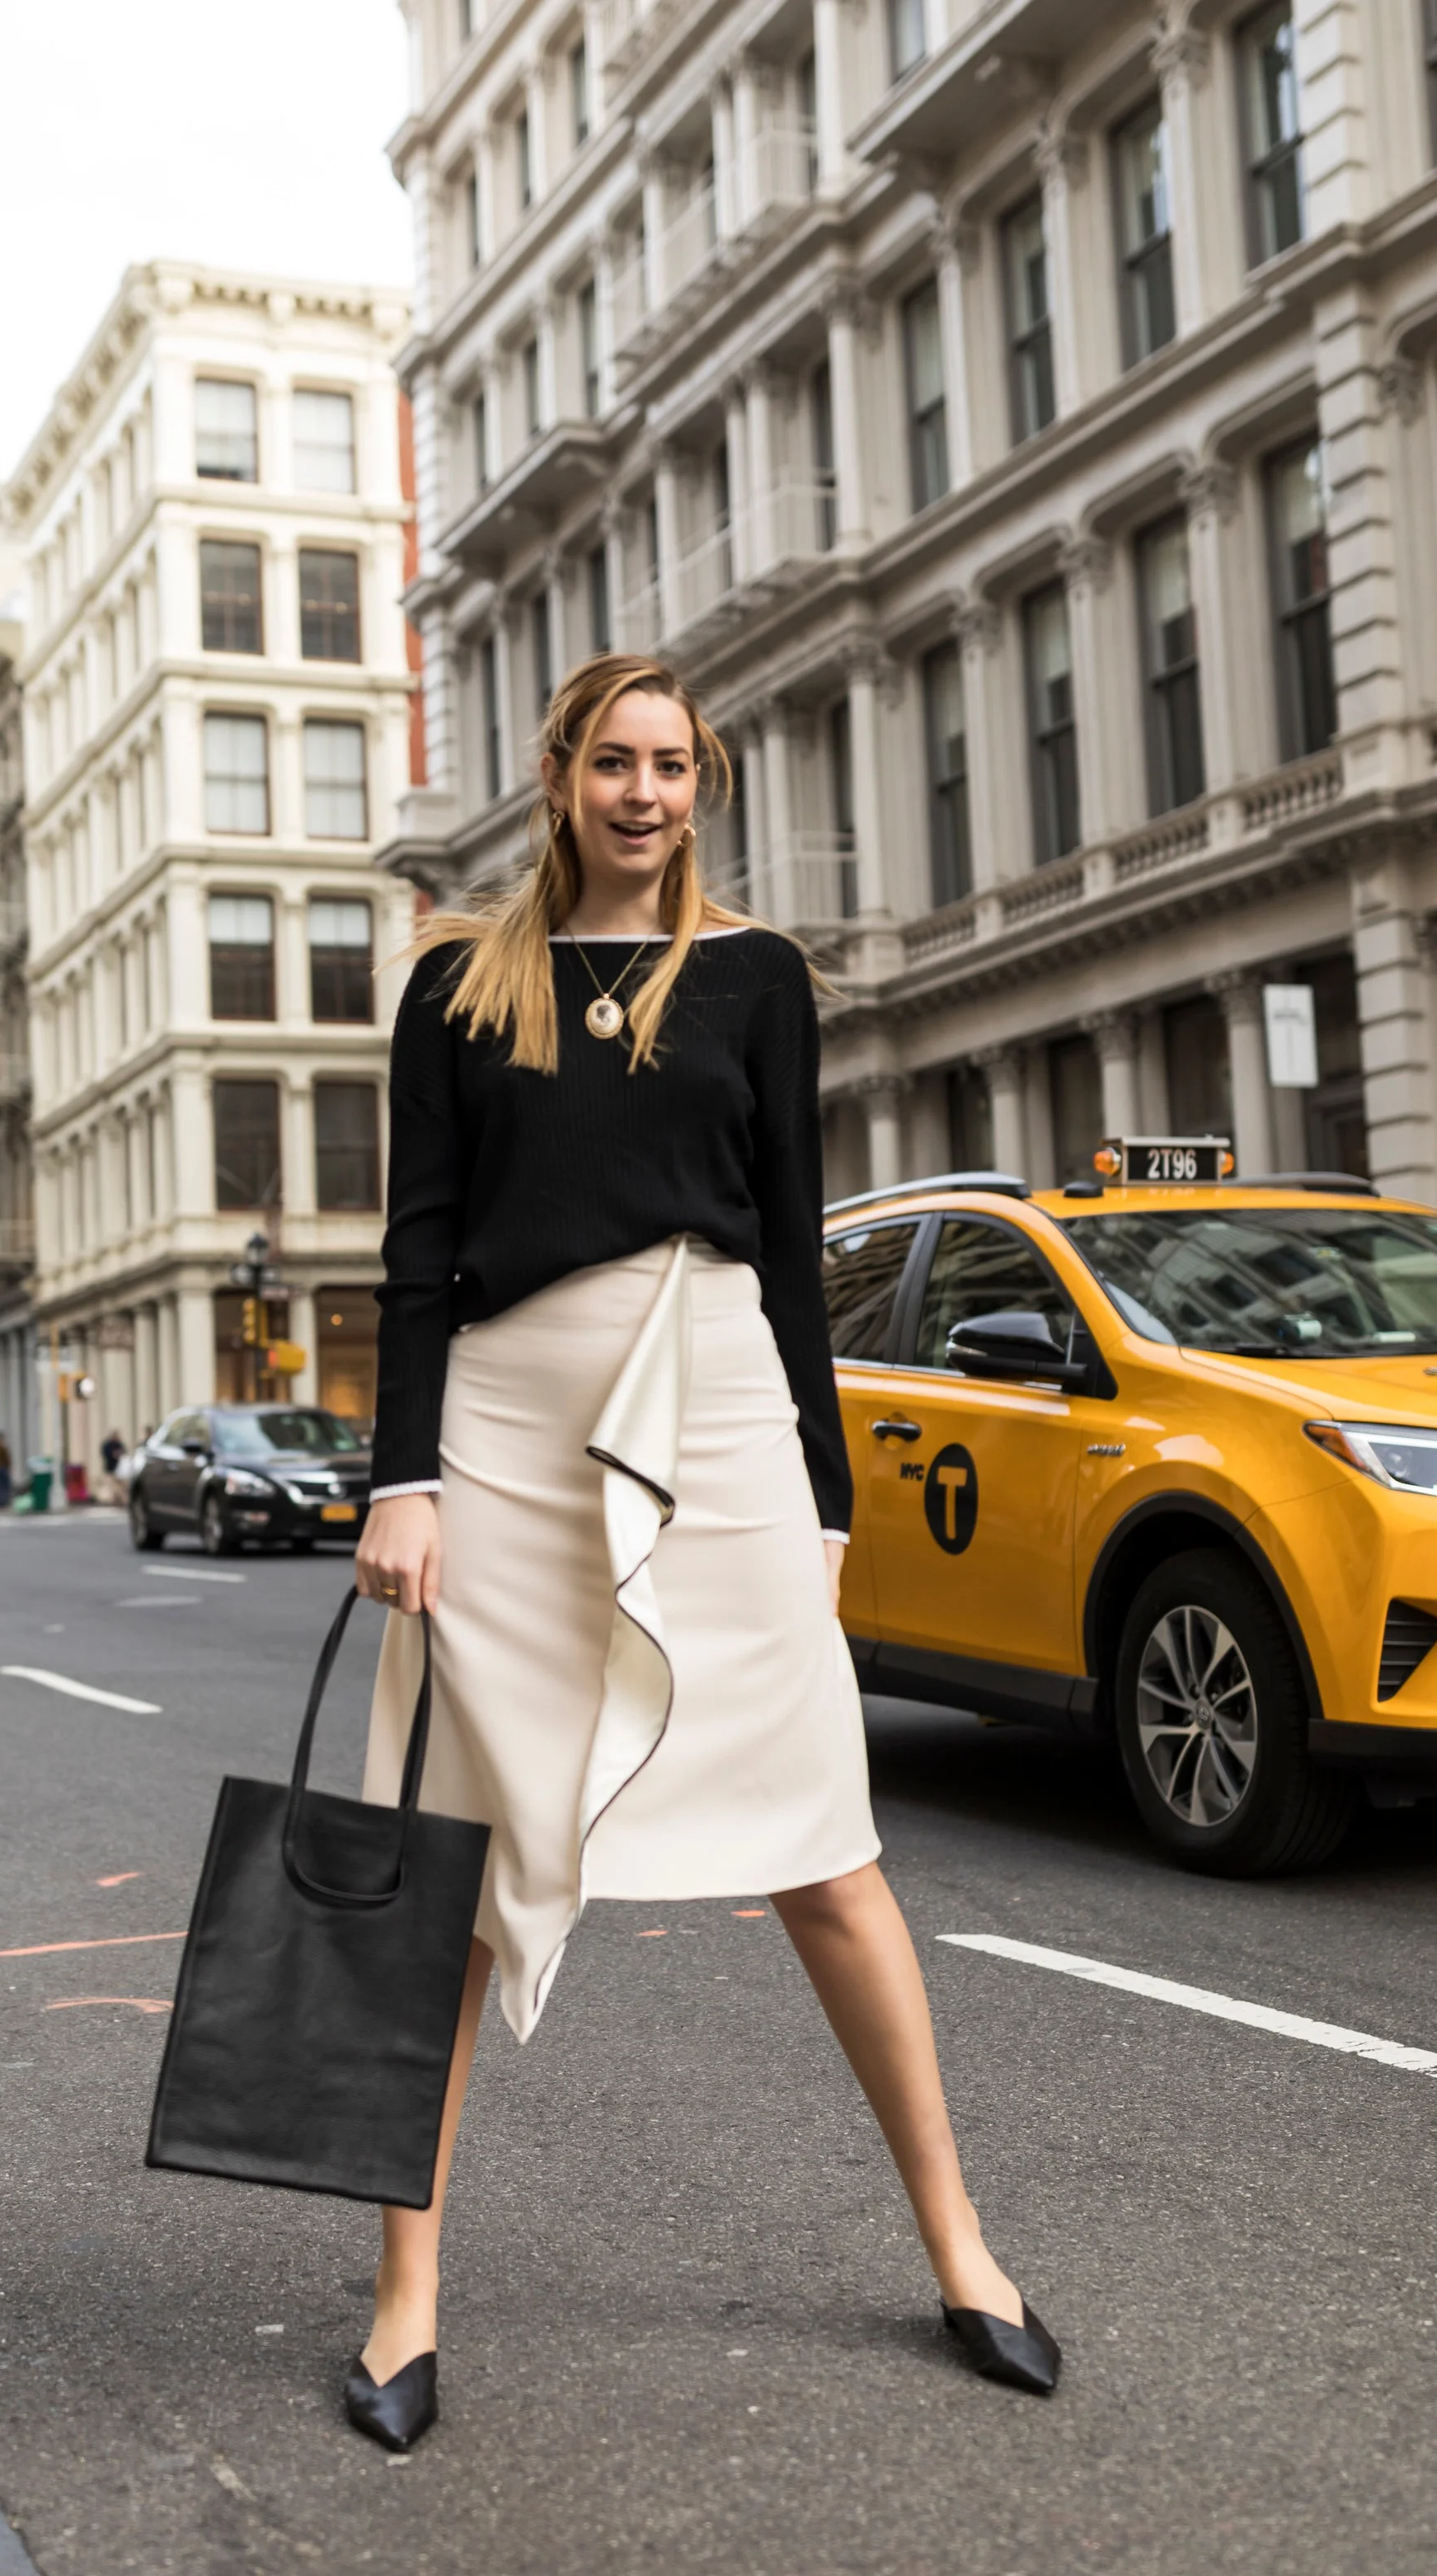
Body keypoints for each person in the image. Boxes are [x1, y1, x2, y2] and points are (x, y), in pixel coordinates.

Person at [345, 653, 1059, 2455]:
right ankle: (403, 2295)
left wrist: (823, 1497)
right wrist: (398, 1478)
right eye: (613, 761)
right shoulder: (454, 981)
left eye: (670, 764)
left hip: (721, 1413)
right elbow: (415, 1251)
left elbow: (792, 1244)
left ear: (698, 782)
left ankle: (961, 2246)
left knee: (825, 1848)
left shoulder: (754, 978)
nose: (643, 793)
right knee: (446, 1865)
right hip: (499, 1433)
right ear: (557, 775)